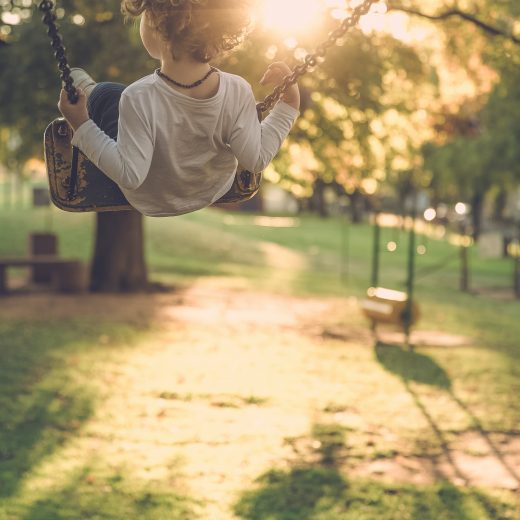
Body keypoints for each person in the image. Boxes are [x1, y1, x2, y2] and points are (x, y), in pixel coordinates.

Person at [58, 0, 300, 217]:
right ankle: (87, 87)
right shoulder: (237, 90)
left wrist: (81, 124)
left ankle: (88, 88)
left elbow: (130, 176)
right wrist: (288, 107)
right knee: (115, 96)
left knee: (107, 94)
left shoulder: (137, 97)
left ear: (156, 21)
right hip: (211, 190)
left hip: (150, 198)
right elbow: (256, 159)